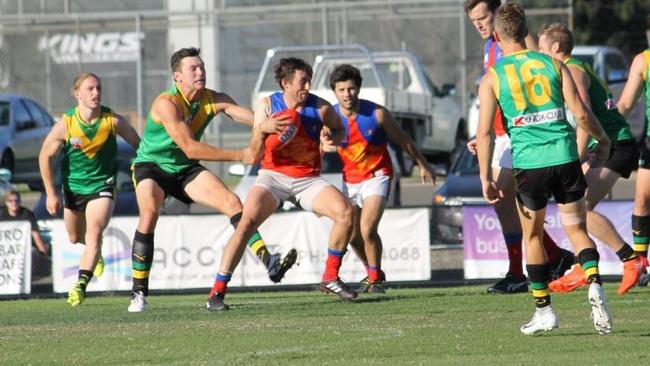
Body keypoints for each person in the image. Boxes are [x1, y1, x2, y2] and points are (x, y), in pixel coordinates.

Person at [476, 3, 613, 335]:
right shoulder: (553, 64)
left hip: (529, 165)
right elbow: (580, 114)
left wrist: (485, 178)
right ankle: (594, 284)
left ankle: (544, 311)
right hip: (565, 158)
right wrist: (603, 139)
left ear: (496, 35)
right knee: (577, 230)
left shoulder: (494, 76)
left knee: (533, 235)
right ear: (526, 32)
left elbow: (483, 134)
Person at [128, 47, 297, 312]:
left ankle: (269, 262)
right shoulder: (166, 103)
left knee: (233, 202)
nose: (200, 72)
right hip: (152, 167)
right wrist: (240, 154)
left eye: (202, 67)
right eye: (193, 68)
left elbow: (253, 120)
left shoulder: (213, 99)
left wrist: (275, 125)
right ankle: (138, 293)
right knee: (149, 213)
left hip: (184, 169)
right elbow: (191, 148)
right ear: (177, 77)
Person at [205, 57, 355, 311]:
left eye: (309, 81)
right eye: (302, 82)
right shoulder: (266, 106)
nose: (307, 87)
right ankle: (216, 293)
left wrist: (332, 140)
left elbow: (341, 131)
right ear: (285, 83)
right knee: (245, 223)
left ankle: (330, 277)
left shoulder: (320, 108)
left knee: (345, 212)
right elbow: (254, 152)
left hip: (307, 179)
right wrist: (263, 128)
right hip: (273, 176)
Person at [465, 0, 573, 294]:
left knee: (504, 196)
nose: (479, 24)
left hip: (522, 135)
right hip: (502, 134)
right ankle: (553, 257)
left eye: (483, 16)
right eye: (473, 20)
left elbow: (534, 78)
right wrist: (484, 133)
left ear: (496, 14)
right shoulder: (490, 47)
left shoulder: (517, 40)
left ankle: (526, 269)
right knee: (504, 201)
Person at [537, 23, 646, 295]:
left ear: (555, 48)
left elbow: (582, 115)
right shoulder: (572, 68)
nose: (538, 54)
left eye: (541, 48)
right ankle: (581, 267)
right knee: (572, 212)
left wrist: (576, 156)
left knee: (580, 207)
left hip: (617, 144)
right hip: (607, 144)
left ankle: (631, 258)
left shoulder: (573, 70)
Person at [328, 64, 435, 293]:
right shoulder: (330, 118)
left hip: (377, 176)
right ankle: (373, 271)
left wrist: (423, 164)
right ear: (335, 92)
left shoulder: (377, 114)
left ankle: (375, 280)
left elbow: (403, 140)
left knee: (367, 229)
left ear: (358, 89)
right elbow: (317, 147)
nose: (347, 94)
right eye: (342, 90)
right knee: (354, 236)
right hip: (350, 180)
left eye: (351, 89)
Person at [39, 73, 141, 306]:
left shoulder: (112, 121)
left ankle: (80, 286)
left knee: (94, 232)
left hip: (102, 186)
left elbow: (138, 144)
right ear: (77, 94)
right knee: (76, 238)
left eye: (98, 88)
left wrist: (141, 164)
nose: (96, 93)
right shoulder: (66, 124)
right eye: (90, 89)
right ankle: (95, 253)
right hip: (73, 189)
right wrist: (52, 193)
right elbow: (45, 155)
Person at [616, 41, 650, 286]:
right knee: (642, 199)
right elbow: (626, 104)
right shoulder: (643, 60)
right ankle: (641, 264)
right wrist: (605, 132)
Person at [0, 190, 49, 255]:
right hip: (5, 248)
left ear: (20, 202)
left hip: (25, 247)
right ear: (6, 203)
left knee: (33, 252)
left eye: (16, 200)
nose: (14, 203)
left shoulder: (27, 215)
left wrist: (43, 253)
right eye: (10, 201)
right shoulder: (1, 215)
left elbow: (36, 235)